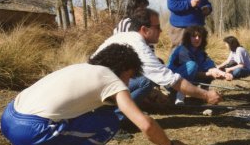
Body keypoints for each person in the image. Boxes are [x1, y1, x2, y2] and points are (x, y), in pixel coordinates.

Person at [0, 44, 189, 145]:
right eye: (130, 76)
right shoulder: (110, 79)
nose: (128, 81)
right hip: (30, 131)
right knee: (111, 121)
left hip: (9, 117)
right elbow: (145, 125)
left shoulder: (81, 68)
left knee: (102, 112)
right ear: (124, 69)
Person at [93, 8, 222, 119]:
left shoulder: (125, 37)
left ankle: (116, 114)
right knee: (147, 81)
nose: (161, 31)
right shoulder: (138, 45)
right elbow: (171, 80)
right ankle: (117, 118)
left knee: (144, 79)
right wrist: (205, 95)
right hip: (98, 90)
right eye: (157, 27)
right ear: (144, 29)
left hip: (100, 85)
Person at [167, 26, 226, 105]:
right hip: (172, 83)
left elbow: (210, 66)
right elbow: (192, 71)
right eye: (194, 36)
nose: (197, 38)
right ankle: (180, 95)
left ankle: (202, 95)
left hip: (189, 80)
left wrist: (222, 73)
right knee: (192, 65)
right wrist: (209, 73)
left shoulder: (201, 53)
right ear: (188, 38)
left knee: (210, 71)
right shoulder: (182, 50)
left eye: (199, 36)